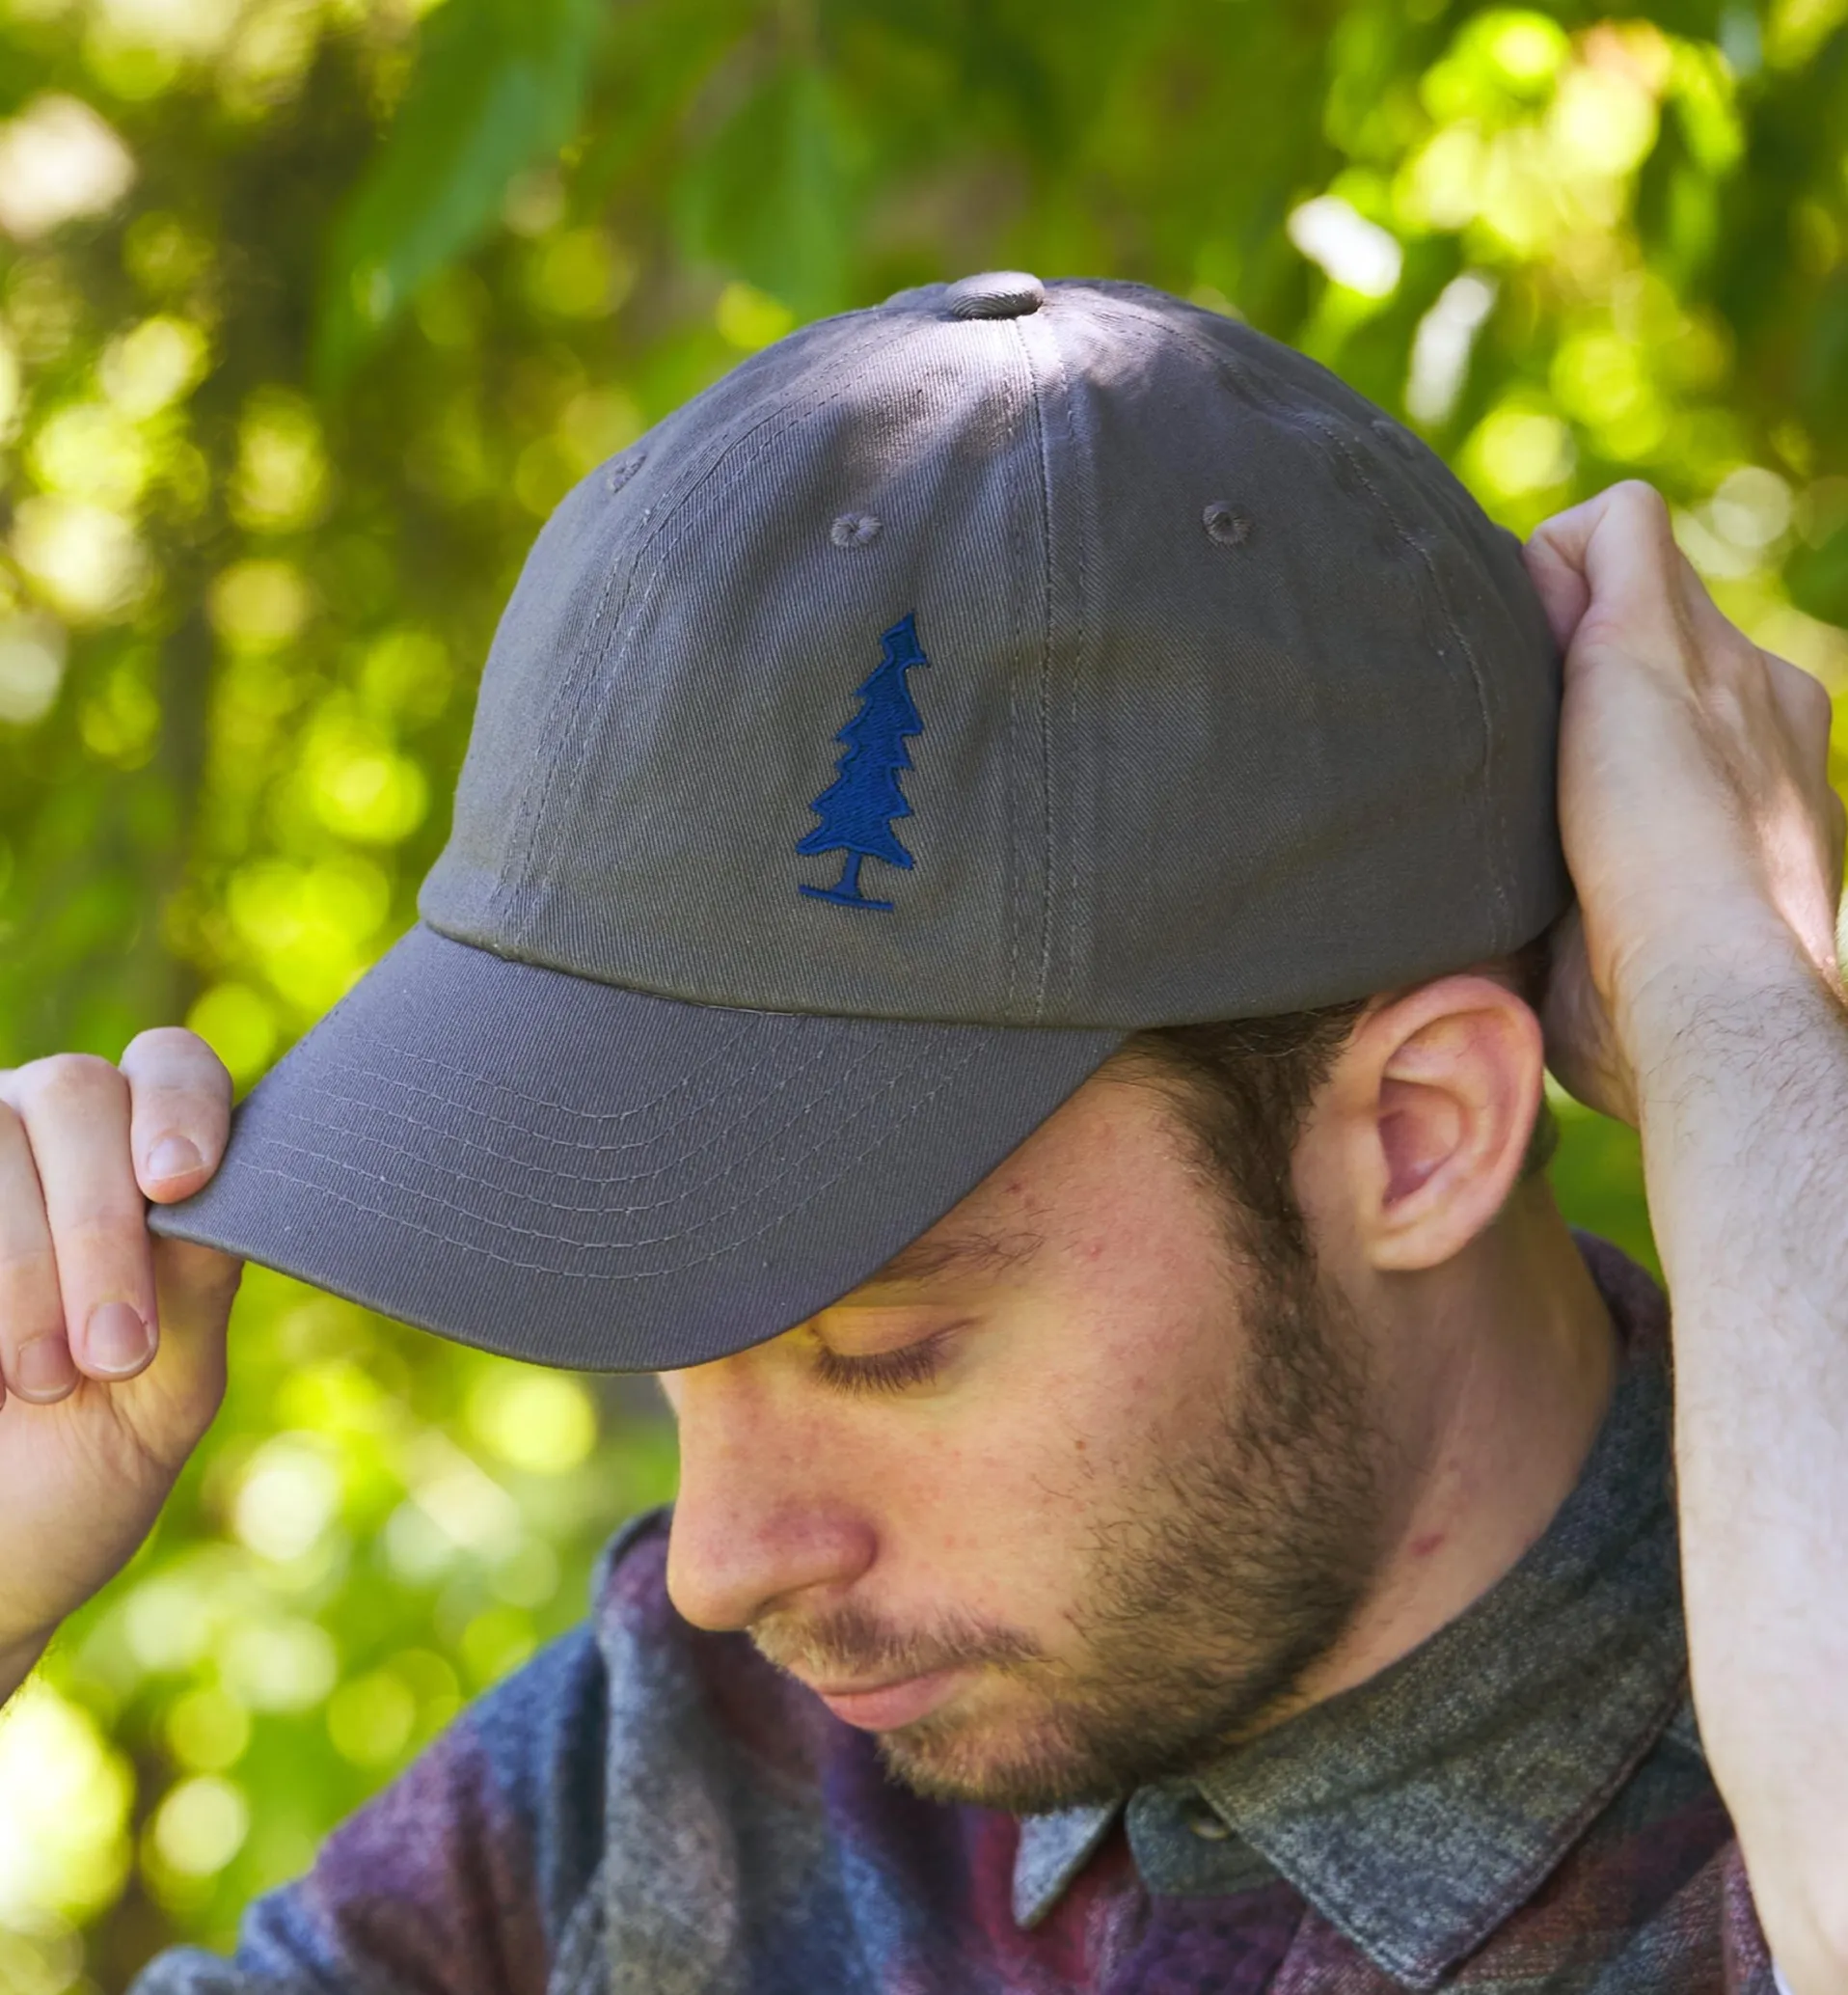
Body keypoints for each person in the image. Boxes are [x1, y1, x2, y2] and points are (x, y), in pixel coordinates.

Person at [0, 274, 1842, 1995]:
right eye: (675, 1333)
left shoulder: (1760, 1839)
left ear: (1421, 1138)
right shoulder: (689, 1758)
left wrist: (1729, 1008)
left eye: (881, 1346)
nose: (718, 1564)